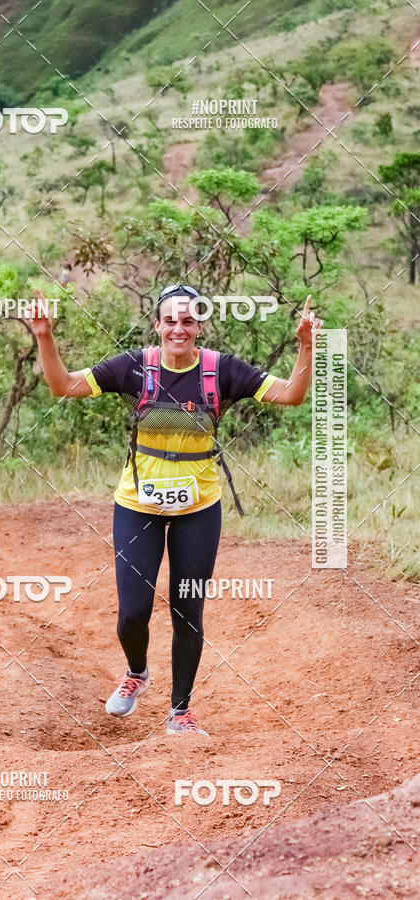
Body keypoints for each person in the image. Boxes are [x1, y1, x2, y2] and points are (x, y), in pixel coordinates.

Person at [27, 284, 322, 735]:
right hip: (138, 504)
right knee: (132, 613)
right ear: (157, 325)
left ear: (200, 325)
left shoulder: (221, 370)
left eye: (188, 321)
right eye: (170, 320)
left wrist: (305, 347)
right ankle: (136, 672)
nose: (178, 328)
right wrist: (45, 337)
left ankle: (180, 711)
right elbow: (63, 385)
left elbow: (291, 395)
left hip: (199, 508)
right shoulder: (135, 367)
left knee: (188, 609)